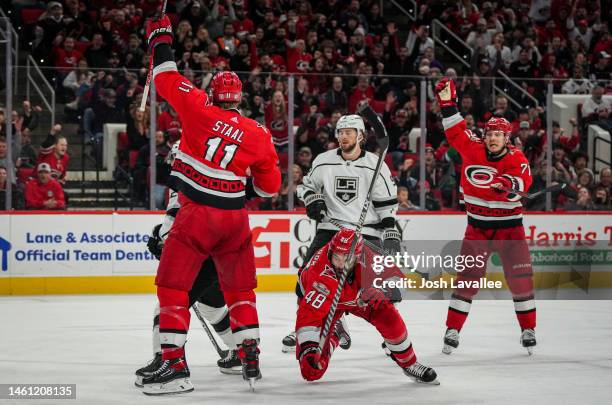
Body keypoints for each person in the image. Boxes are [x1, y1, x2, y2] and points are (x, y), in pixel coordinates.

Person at [140, 15, 281, 394]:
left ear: (213, 93)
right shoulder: (259, 134)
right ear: (240, 98)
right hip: (235, 218)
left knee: (173, 289)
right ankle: (248, 351)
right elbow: (270, 188)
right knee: (239, 291)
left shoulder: (197, 108)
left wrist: (161, 37)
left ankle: (173, 365)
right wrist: (239, 187)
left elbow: (165, 75)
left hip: (197, 215)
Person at [434, 77, 536, 355]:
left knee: (521, 280)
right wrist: (447, 103)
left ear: (507, 138)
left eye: (498, 134)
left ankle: (528, 328)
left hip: (510, 232)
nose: (492, 137)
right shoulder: (473, 148)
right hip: (476, 230)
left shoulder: (517, 160)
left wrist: (509, 187)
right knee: (466, 280)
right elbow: (456, 132)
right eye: (489, 133)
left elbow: (523, 186)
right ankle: (452, 330)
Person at [281, 113, 400, 353]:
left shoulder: (375, 163)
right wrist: (313, 199)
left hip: (365, 232)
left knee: (382, 290)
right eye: (341, 132)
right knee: (306, 279)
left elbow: (387, 204)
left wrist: (389, 230)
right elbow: (306, 186)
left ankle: (392, 336)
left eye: (349, 132)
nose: (344, 136)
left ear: (361, 136)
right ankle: (306, 326)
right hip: (330, 230)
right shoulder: (324, 160)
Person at [135, 142, 242, 388]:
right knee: (212, 307)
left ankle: (166, 360)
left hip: (200, 258)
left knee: (166, 305)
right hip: (220, 256)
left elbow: (176, 217)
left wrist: (163, 240)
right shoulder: (210, 178)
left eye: (174, 159)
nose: (173, 164)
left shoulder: (184, 182)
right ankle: (241, 353)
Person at [295, 228, 439, 384]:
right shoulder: (320, 275)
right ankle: (336, 334)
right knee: (311, 372)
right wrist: (308, 347)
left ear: (357, 256)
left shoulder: (370, 256)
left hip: (360, 299)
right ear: (330, 251)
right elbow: (308, 315)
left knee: (389, 317)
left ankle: (410, 364)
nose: (340, 264)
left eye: (346, 258)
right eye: (336, 257)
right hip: (328, 304)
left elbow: (398, 281)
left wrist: (384, 290)